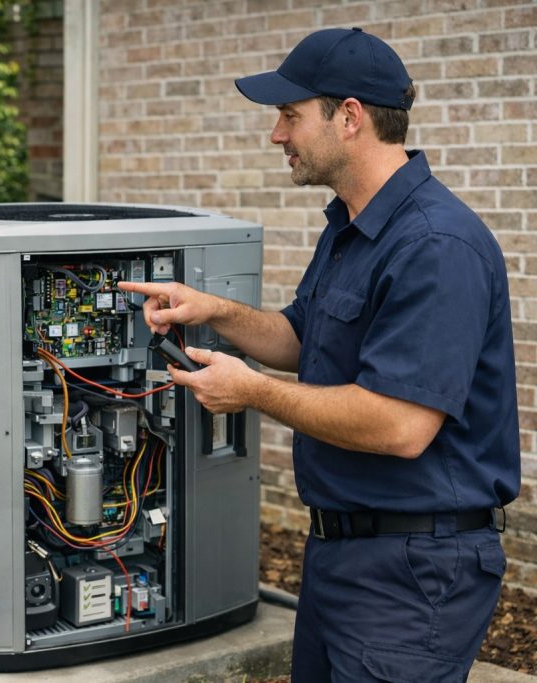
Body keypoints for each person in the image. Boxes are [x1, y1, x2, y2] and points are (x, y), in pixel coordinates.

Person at [119, 27, 519, 682]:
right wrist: (210, 308)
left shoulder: (436, 245)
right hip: (341, 555)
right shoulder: (350, 228)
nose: (277, 135)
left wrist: (252, 392)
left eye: (289, 115)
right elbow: (300, 336)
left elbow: (401, 425)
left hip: (414, 571)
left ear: (350, 117)